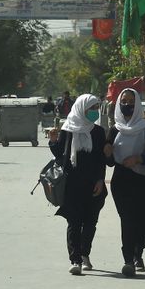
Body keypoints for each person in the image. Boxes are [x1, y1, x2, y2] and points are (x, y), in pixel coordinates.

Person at [48, 94, 107, 275]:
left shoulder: (98, 132)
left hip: (93, 183)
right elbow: (60, 154)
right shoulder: (68, 129)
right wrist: (53, 140)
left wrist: (100, 180)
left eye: (96, 108)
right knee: (74, 222)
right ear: (82, 109)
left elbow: (100, 158)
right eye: (91, 109)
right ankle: (75, 260)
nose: (94, 112)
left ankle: (84, 254)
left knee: (90, 222)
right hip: (72, 183)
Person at [104, 88, 145, 277]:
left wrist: (140, 159)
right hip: (122, 180)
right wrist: (108, 153)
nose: (127, 105)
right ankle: (128, 260)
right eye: (123, 102)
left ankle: (138, 250)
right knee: (128, 220)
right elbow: (109, 161)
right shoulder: (114, 129)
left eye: (131, 102)